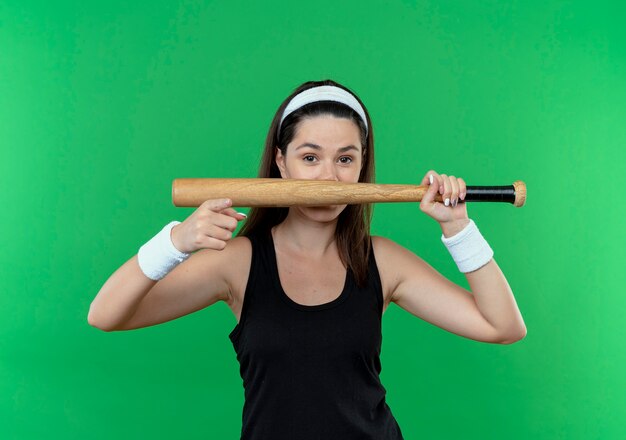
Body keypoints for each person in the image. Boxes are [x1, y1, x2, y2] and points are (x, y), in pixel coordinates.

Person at [88, 79, 527, 439]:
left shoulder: (382, 261)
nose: (328, 177)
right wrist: (175, 242)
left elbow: (502, 327)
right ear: (282, 162)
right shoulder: (237, 262)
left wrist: (458, 228)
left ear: (361, 167)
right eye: (310, 157)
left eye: (345, 159)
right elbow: (106, 314)